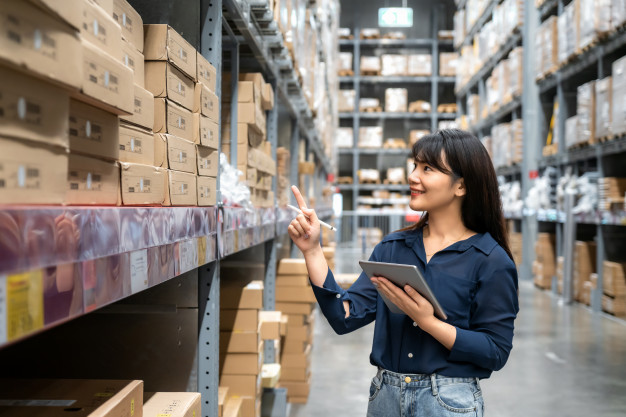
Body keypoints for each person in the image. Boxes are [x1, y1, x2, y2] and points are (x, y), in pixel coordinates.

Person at [287, 129, 519, 417]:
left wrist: (427, 322)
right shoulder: (392, 248)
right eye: (414, 166)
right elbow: (344, 316)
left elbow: (495, 351)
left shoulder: (490, 260)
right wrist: (312, 250)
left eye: (428, 169)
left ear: (461, 186)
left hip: (448, 403)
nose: (413, 176)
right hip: (385, 397)